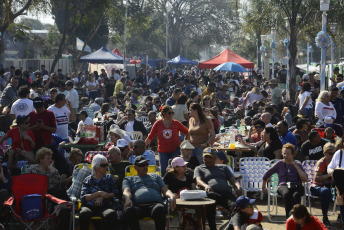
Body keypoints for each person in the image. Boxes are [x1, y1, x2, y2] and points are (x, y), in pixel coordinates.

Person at [122, 155, 176, 230]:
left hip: (155, 205)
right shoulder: (129, 179)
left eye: (146, 164)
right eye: (142, 165)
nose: (145, 167)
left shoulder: (156, 176)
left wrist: (172, 196)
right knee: (129, 211)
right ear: (135, 167)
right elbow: (126, 191)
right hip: (138, 206)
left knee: (160, 208)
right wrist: (127, 198)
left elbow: (165, 190)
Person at [194, 148, 242, 230]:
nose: (207, 160)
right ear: (203, 158)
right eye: (206, 157)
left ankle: (228, 228)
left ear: (214, 158)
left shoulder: (223, 167)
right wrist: (205, 186)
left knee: (236, 207)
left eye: (210, 157)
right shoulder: (199, 168)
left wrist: (238, 187)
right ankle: (213, 228)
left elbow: (233, 180)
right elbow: (198, 181)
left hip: (226, 194)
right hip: (211, 193)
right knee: (210, 204)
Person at [262, 143, 307, 218]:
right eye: (284, 153)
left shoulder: (298, 163)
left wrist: (296, 167)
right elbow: (266, 174)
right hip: (283, 185)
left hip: (296, 185)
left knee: (296, 195)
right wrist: (263, 187)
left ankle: (297, 217)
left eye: (288, 154)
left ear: (293, 154)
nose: (285, 155)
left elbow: (305, 178)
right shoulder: (280, 163)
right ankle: (289, 217)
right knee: (287, 194)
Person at [145, 105, 188, 175]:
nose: (171, 114)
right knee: (164, 171)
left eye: (172, 113)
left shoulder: (176, 123)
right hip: (163, 151)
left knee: (176, 170)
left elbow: (187, 132)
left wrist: (185, 144)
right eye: (169, 113)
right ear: (163, 114)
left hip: (175, 150)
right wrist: (143, 146)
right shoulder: (158, 123)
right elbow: (150, 137)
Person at [79, 154, 119, 230]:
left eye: (107, 165)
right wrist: (98, 193)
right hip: (89, 206)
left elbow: (116, 193)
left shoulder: (109, 178)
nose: (106, 167)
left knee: (111, 214)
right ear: (96, 166)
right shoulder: (88, 180)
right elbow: (83, 198)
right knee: (84, 213)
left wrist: (104, 196)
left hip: (104, 206)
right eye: (103, 165)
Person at [310, 142, 335, 225]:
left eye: (334, 153)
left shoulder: (336, 163)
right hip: (318, 187)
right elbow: (316, 178)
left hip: (331, 186)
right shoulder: (321, 163)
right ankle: (325, 216)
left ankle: (340, 216)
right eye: (330, 153)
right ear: (324, 153)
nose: (332, 155)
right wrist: (329, 174)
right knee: (325, 191)